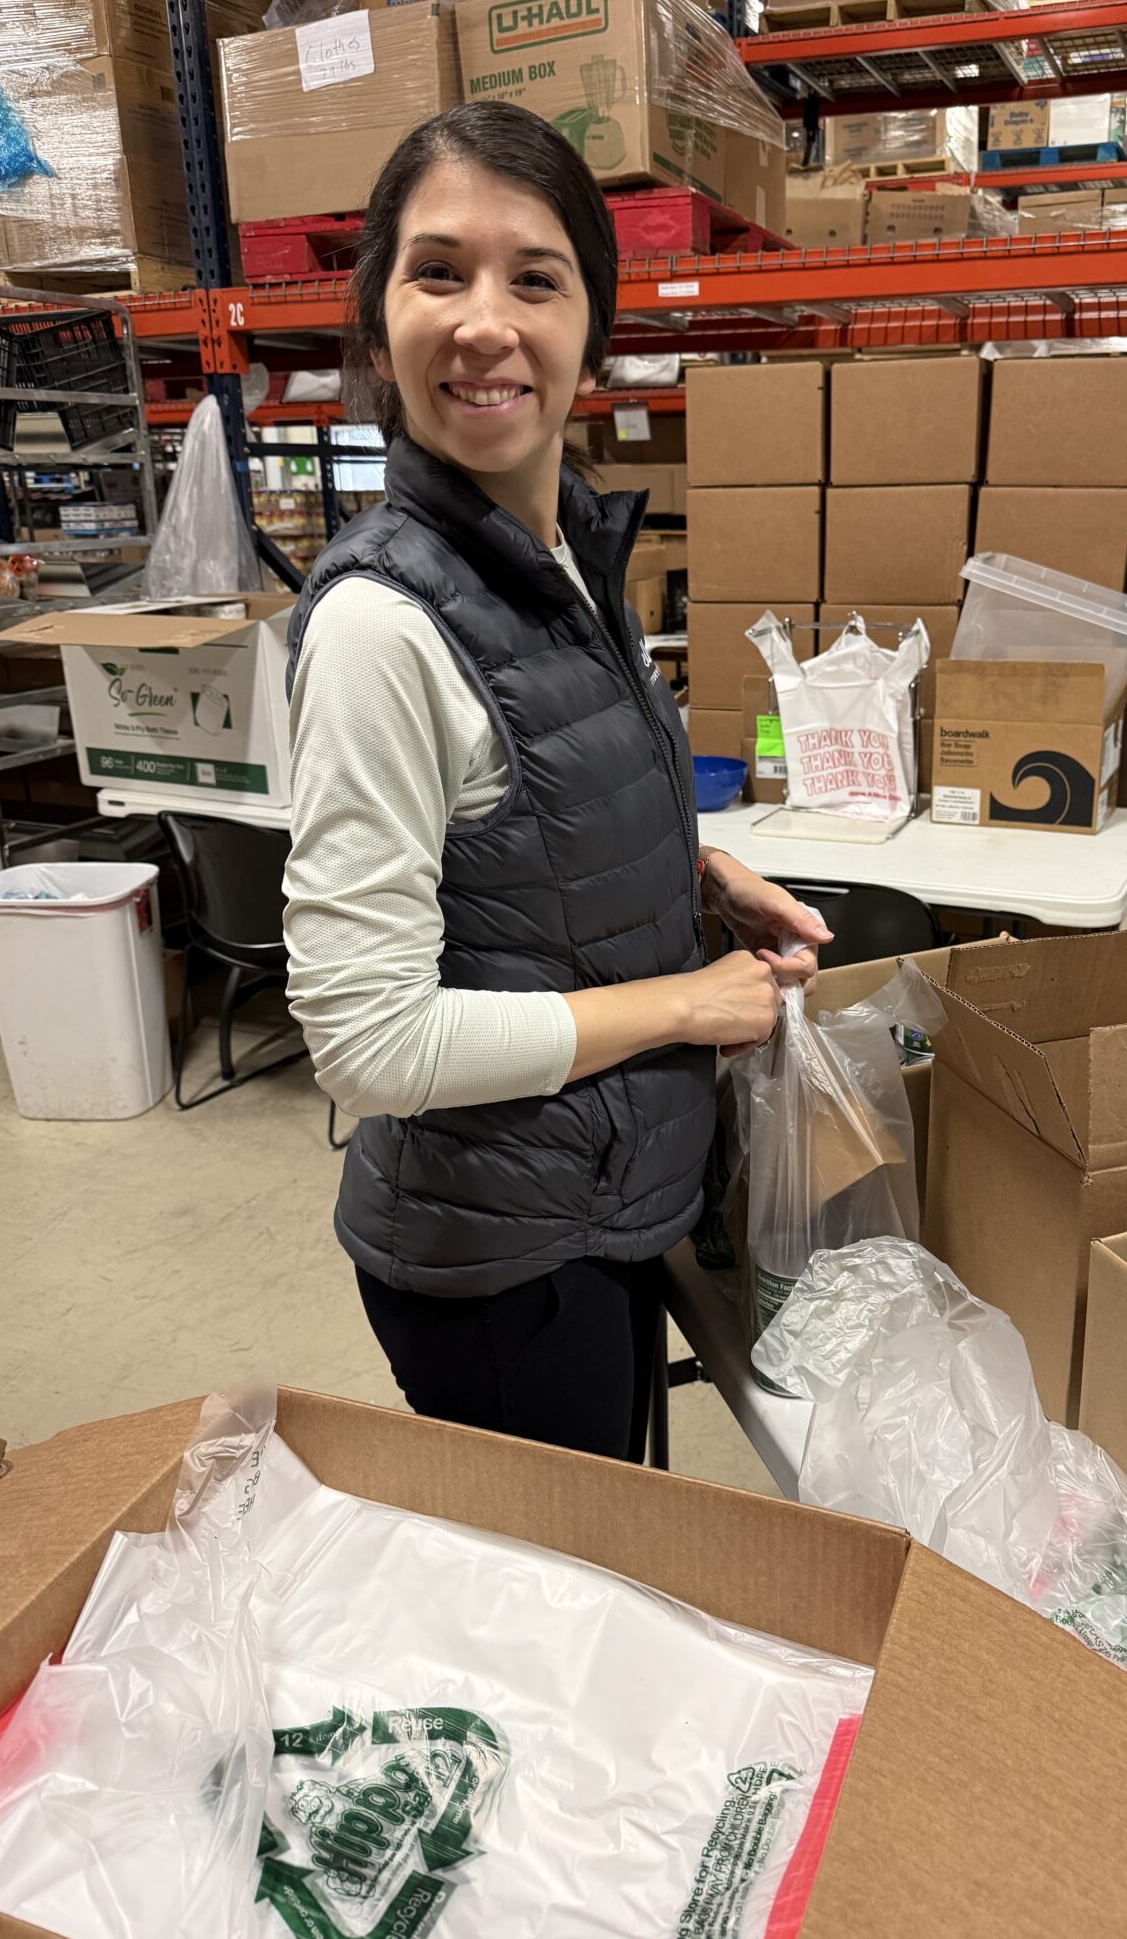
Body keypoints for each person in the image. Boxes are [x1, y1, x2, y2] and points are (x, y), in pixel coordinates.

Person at [283, 101, 830, 1464]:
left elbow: (530, 823)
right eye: (437, 271)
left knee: (618, 1555)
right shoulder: (381, 625)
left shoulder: (567, 548)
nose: (484, 321)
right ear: (377, 318)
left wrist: (700, 883)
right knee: (566, 1608)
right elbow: (366, 1042)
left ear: (593, 326)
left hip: (591, 1193)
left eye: (534, 277)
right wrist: (678, 1005)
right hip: (495, 1258)